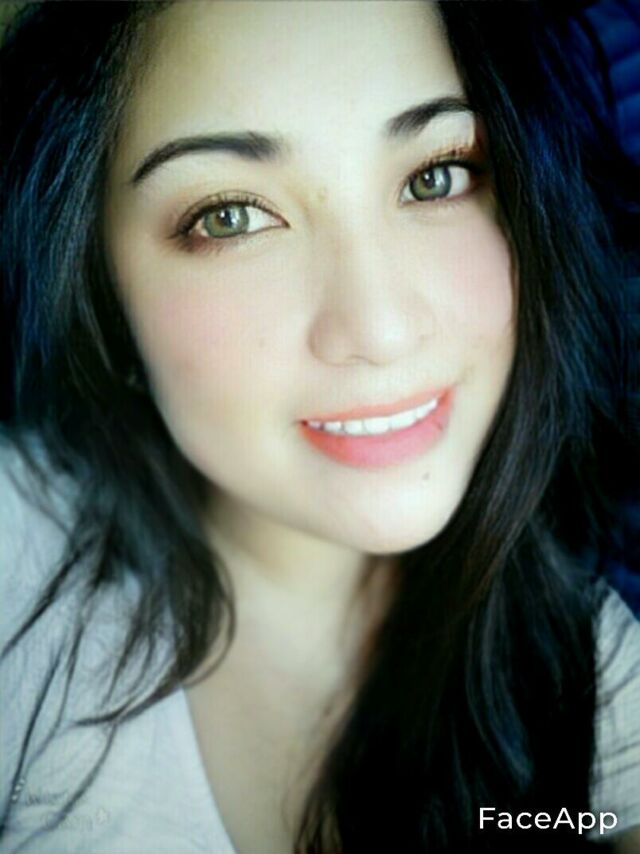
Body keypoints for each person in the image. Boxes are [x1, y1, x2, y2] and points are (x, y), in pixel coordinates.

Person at [0, 2, 639, 852]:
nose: (380, 330)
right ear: (99, 291)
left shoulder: (598, 684)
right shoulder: (17, 558)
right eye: (230, 216)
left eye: (437, 177)